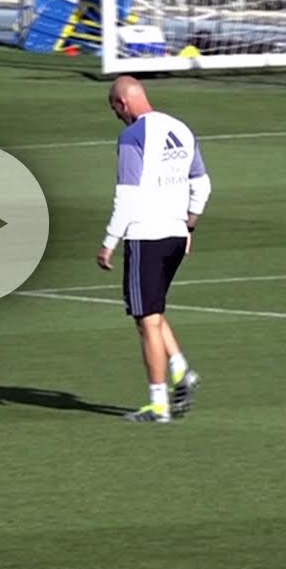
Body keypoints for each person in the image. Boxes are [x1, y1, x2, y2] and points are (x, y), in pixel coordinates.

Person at [95, 76, 212, 424]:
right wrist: (188, 225)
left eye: (115, 109)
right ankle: (181, 371)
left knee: (146, 320)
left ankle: (159, 404)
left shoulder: (133, 137)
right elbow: (203, 184)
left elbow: (127, 196)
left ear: (123, 104)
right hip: (176, 235)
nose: (117, 116)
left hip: (147, 235)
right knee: (153, 311)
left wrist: (109, 242)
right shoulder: (181, 129)